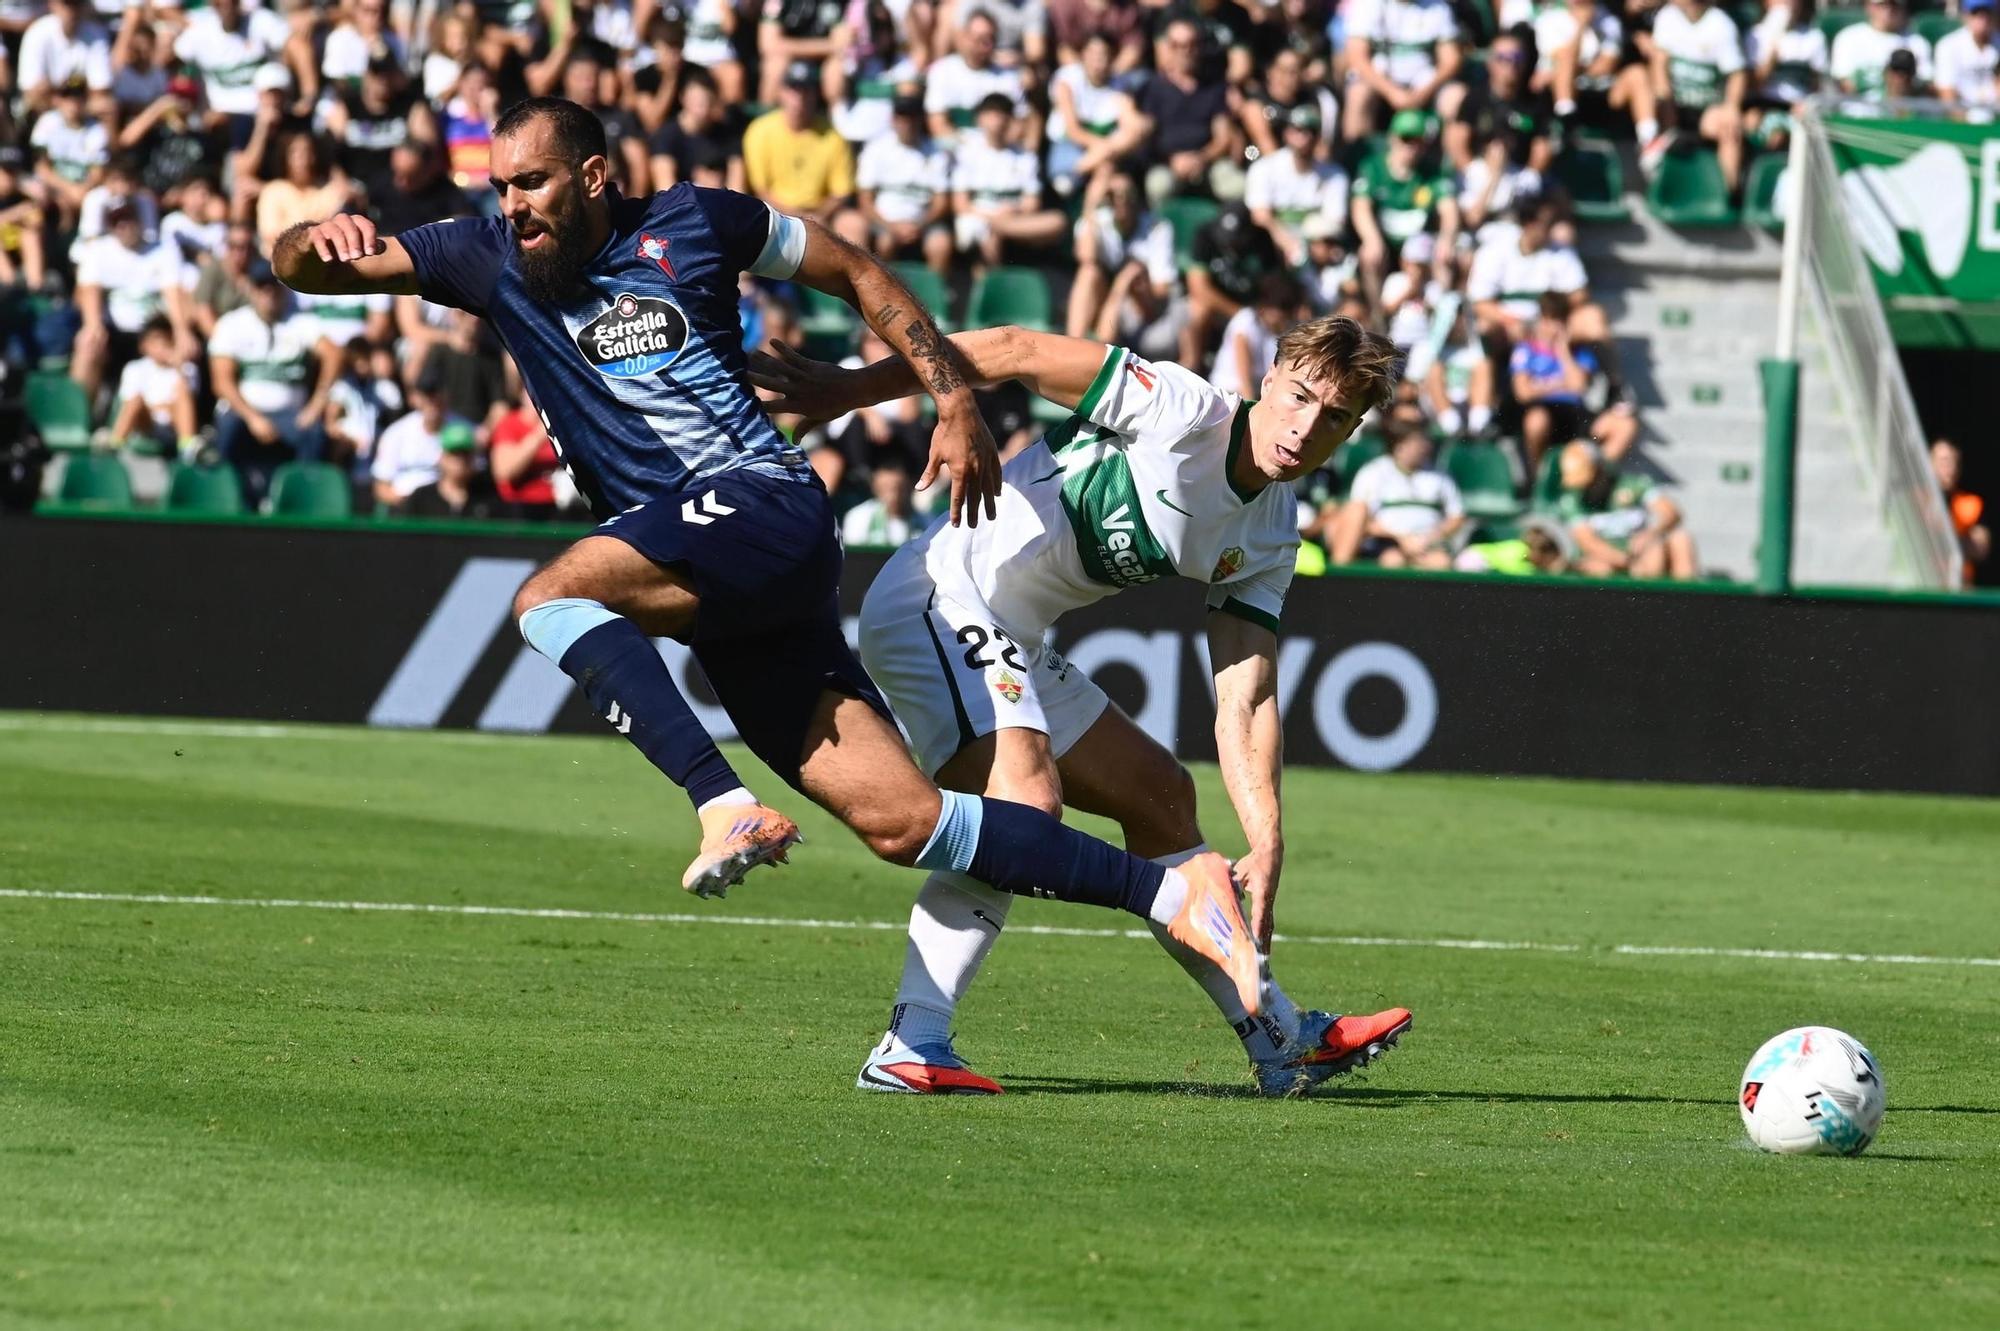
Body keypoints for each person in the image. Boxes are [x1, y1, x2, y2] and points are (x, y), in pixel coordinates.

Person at [272, 96, 1261, 1018]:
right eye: (499, 186)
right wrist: (312, 241)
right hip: (711, 571)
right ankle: (1171, 893)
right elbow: (304, 271)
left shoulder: (702, 222)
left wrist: (952, 395)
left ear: (593, 177)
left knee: (549, 598)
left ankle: (721, 802)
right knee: (906, 821)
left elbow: (857, 274)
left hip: (760, 502)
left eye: (529, 182)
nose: (511, 205)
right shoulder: (480, 258)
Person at [749, 314, 1413, 1096]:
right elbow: (1014, 350)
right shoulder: (1179, 408)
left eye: (1335, 417)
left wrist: (1267, 842)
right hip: (938, 593)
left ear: (1354, 429)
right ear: (1267, 379)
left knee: (1161, 793)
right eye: (1299, 396)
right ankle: (912, 1041)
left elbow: (1248, 695)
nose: (1306, 427)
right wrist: (855, 388)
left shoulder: (1268, 534)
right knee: (1023, 800)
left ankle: (1276, 1039)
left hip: (1013, 634)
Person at [210, 258, 338, 504]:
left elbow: (334, 354)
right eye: (261, 286)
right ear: (250, 288)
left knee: (314, 432)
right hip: (244, 413)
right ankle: (229, 500)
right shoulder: (232, 324)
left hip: (291, 414)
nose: (268, 293)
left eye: (274, 286)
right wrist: (253, 417)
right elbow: (221, 383)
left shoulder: (300, 322)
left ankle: (302, 502)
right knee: (228, 428)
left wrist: (317, 404)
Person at [1328, 414, 1466, 568]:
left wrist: (1431, 537)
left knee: (1441, 563)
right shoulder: (1374, 472)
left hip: (1428, 544)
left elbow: (1457, 517)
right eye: (1417, 442)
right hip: (1387, 543)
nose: (1425, 447)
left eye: (1424, 441)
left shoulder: (1441, 475)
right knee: (1393, 561)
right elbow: (1361, 519)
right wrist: (1401, 538)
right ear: (1399, 447)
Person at [949, 92, 1068, 267]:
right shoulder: (966, 154)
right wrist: (991, 217)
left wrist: (1011, 212)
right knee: (985, 235)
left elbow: (1032, 204)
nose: (997, 120)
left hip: (1015, 220)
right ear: (979, 119)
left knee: (1057, 221)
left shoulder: (1026, 158)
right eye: (991, 113)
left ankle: (997, 230)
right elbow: (961, 205)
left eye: (1003, 113)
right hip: (980, 220)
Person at [1552, 440, 1699, 579]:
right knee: (1603, 568)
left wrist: (1651, 534)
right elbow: (1588, 542)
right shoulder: (1572, 500)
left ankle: (1687, 598)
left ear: (1600, 469)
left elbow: (1672, 513)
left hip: (1639, 553)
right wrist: (1627, 561)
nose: (1585, 488)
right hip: (1607, 559)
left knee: (1680, 539)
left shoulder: (1632, 485)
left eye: (1589, 481)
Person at [1644, 0, 1748, 192]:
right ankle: (1656, 178)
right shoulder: (1667, 17)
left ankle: (1728, 195)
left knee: (1729, 127)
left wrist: (1731, 107)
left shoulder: (1721, 25)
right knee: (1658, 100)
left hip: (1705, 110)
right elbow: (1658, 63)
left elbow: (1737, 74)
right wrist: (1664, 98)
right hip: (1672, 107)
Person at [742, 60, 856, 220]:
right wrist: (796, 217)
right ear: (781, 93)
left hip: (820, 214)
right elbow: (762, 189)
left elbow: (841, 191)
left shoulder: (832, 135)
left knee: (853, 223)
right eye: (793, 90)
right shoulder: (760, 131)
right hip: (775, 213)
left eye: (806, 91)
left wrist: (818, 215)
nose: (799, 99)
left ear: (815, 95)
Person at [1340, 0, 1465, 144]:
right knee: (1359, 94)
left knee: (1456, 97)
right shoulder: (1368, 5)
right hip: (1381, 79)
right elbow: (1357, 57)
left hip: (1424, 83)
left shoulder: (1438, 7)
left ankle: (1453, 162)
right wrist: (1392, 93)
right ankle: (1357, 157)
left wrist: (1421, 94)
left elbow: (1451, 61)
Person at [855, 93, 952, 269]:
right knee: (886, 242)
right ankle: (883, 292)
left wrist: (919, 225)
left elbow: (941, 202)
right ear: (893, 119)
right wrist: (890, 226)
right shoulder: (875, 150)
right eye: (902, 117)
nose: (907, 123)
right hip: (885, 221)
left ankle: (936, 293)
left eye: (912, 118)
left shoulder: (937, 153)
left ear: (920, 120)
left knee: (940, 244)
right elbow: (865, 201)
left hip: (923, 221)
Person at [108, 315, 198, 455]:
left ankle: (187, 447)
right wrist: (162, 407)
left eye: (167, 341)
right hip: (145, 425)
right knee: (135, 401)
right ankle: (114, 445)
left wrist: (179, 368)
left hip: (174, 426)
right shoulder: (133, 368)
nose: (162, 346)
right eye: (156, 342)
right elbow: (130, 403)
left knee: (183, 393)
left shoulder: (188, 369)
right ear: (144, 346)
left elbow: (188, 403)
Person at [1830, 0, 1931, 99]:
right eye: (1882, 5)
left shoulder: (1917, 42)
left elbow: (1925, 85)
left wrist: (1902, 83)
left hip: (1902, 111)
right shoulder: (1848, 37)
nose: (1889, 10)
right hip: (1858, 111)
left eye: (1894, 5)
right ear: (1868, 6)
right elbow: (1843, 83)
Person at [1932, 438, 1991, 586]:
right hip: (1925, 584)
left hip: (1958, 586)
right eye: (1943, 461)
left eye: (1953, 462)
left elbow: (1981, 547)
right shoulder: (1914, 501)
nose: (1949, 468)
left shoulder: (1970, 504)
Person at [840, 451, 919, 547]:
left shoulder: (924, 520)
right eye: (885, 488)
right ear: (875, 487)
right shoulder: (858, 517)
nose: (893, 495)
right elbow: (854, 558)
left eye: (898, 488)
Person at [1934, 0, 1998, 107]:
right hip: (1963, 115)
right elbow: (1946, 91)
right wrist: (1962, 120)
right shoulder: (1948, 45)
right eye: (1976, 13)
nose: (1983, 19)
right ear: (1965, 15)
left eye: (1987, 13)